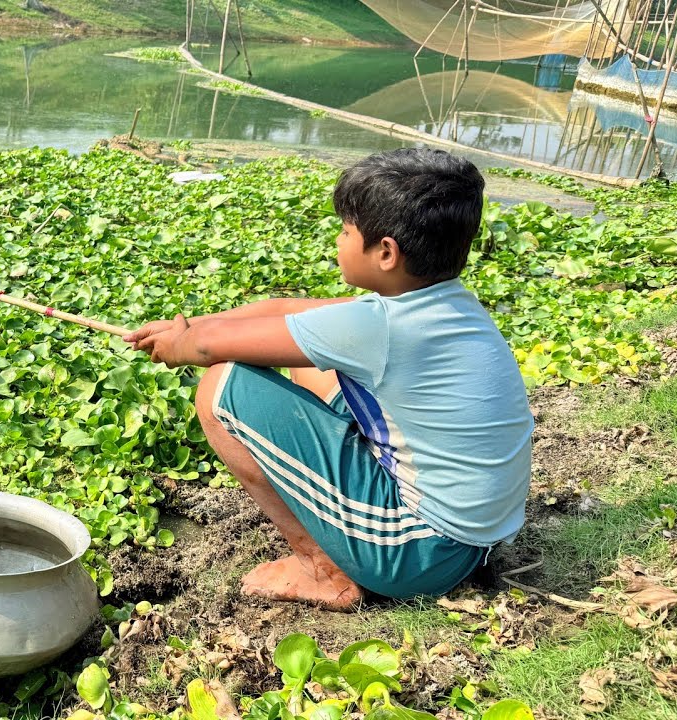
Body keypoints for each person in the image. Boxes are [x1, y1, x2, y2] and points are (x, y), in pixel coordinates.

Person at [124, 148, 533, 610]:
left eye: (345, 231)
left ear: (385, 252)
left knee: (221, 388)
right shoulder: (444, 305)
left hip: (421, 553)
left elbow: (205, 350)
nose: (338, 239)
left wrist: (181, 346)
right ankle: (343, 526)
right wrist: (188, 324)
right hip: (479, 537)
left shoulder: (378, 328)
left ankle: (322, 570)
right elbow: (282, 313)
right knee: (305, 359)